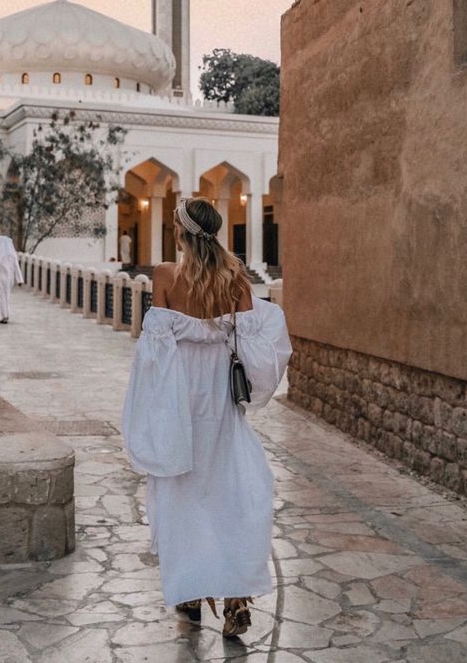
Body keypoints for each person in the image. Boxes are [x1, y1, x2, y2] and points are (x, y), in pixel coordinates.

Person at [122, 197, 291, 638]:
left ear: (180, 233)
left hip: (181, 398)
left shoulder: (164, 275)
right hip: (219, 399)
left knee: (183, 490)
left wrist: (148, 410)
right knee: (230, 490)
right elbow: (255, 344)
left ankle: (192, 593)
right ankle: (235, 593)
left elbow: (153, 350)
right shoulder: (234, 279)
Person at [0, 236, 23, 324]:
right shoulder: (12, 255)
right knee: (7, 296)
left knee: (1, 297)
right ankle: (7, 314)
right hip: (9, 279)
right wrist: (20, 280)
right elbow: (17, 268)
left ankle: (4, 316)